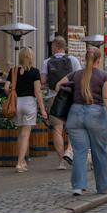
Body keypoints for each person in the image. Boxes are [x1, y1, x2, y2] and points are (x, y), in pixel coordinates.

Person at [61, 47, 107, 199]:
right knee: (100, 151)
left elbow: (59, 84)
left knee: (79, 152)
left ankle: (78, 187)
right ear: (99, 60)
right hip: (96, 115)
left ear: (86, 59)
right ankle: (103, 185)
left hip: (75, 114)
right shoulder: (104, 76)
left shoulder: (76, 74)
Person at [43, 37, 83, 170]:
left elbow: (43, 80)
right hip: (70, 96)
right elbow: (79, 77)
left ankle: (61, 161)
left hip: (54, 97)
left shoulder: (47, 62)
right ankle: (69, 152)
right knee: (72, 128)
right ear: (65, 47)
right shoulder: (73, 60)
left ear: (54, 47)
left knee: (57, 129)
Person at [10, 48, 43, 172]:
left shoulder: (13, 71)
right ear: (31, 57)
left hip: (17, 102)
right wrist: (43, 109)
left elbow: (7, 88)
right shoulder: (34, 72)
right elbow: (37, 91)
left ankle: (22, 161)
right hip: (29, 102)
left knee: (20, 133)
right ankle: (19, 163)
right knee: (25, 134)